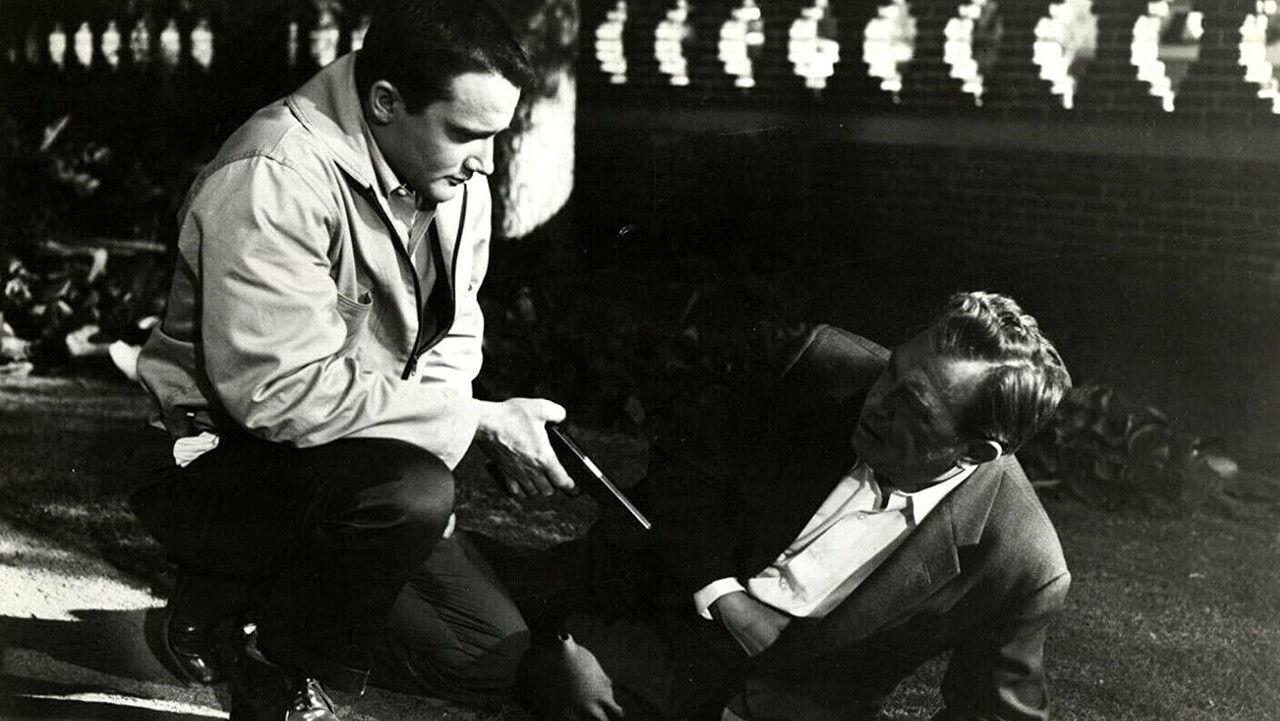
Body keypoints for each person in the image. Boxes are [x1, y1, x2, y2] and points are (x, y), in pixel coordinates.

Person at [128, 1, 570, 718]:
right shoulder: (275, 171)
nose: (487, 162)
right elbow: (277, 393)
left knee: (485, 656)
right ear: (386, 102)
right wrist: (473, 423)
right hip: (217, 459)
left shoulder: (453, 173)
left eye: (496, 135)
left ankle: (261, 606)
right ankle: (267, 661)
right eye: (466, 133)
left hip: (360, 459)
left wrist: (436, 445)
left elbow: (452, 338)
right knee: (411, 495)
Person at [509, 291, 1074, 721]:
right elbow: (685, 467)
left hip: (797, 708)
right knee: (551, 671)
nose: (878, 402)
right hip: (662, 629)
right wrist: (724, 594)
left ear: (975, 452)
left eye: (915, 408)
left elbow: (997, 714)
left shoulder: (1021, 559)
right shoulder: (823, 369)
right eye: (891, 371)